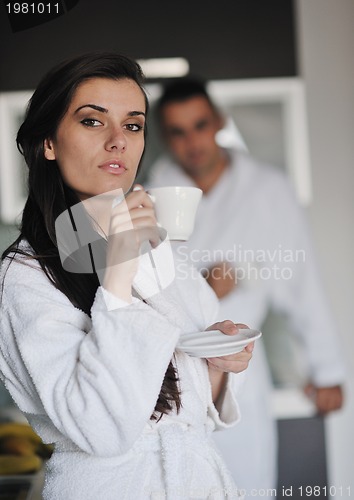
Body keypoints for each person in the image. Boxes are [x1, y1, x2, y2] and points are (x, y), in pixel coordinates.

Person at [0, 54, 255, 500]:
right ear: (48, 143)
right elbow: (100, 428)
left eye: (133, 125)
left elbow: (189, 405)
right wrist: (117, 274)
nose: (119, 140)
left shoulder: (161, 249)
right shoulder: (23, 274)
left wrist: (220, 363)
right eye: (93, 122)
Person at [147, 78, 345, 495]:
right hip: (166, 368)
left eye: (200, 125)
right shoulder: (153, 189)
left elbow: (300, 280)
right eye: (179, 132)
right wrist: (202, 286)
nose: (192, 142)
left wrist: (325, 371)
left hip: (239, 365)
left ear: (218, 121)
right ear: (166, 136)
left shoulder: (268, 190)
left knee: (244, 486)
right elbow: (141, 283)